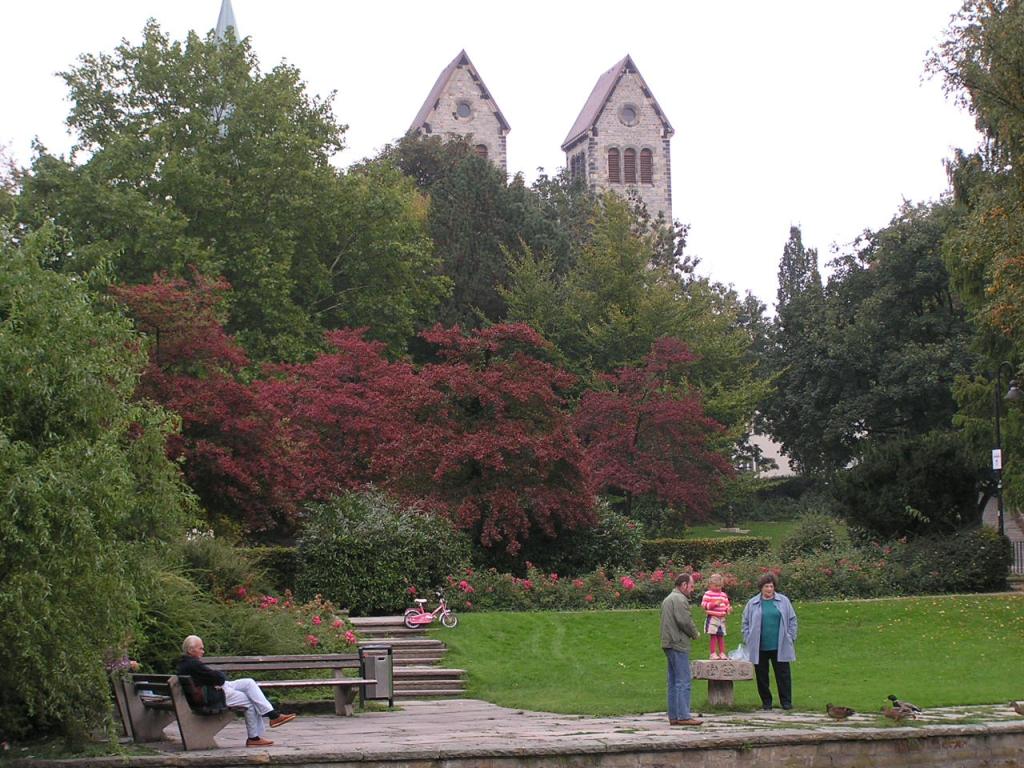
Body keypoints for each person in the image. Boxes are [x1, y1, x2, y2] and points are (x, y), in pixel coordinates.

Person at [177, 635, 296, 747]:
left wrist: (216, 679)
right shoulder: (193, 664)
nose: (203, 651)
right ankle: (255, 737)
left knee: (249, 682)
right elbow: (219, 677)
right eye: (200, 648)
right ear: (191, 650)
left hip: (215, 689)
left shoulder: (185, 663)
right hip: (213, 695)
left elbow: (214, 678)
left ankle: (272, 715)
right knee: (249, 700)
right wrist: (217, 679)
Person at [741, 573, 798, 710]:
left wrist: (790, 636)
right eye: (766, 586)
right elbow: (745, 622)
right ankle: (766, 702)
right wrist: (748, 638)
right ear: (761, 588)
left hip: (780, 644)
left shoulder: (783, 601)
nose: (769, 589)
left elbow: (792, 620)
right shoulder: (752, 603)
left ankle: (786, 702)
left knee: (783, 674)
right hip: (759, 646)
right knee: (762, 676)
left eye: (771, 586)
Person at [659, 573, 703, 726]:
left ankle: (674, 716)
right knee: (683, 680)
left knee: (673, 681)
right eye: (691, 586)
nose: (692, 590)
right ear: (683, 585)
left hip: (668, 643)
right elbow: (684, 621)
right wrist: (695, 633)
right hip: (678, 643)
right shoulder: (679, 599)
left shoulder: (668, 599)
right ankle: (684, 715)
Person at [700, 573, 732, 660]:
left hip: (722, 618)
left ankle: (722, 652)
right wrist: (713, 604)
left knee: (721, 635)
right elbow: (704, 605)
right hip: (713, 617)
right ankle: (713, 653)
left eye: (720, 586)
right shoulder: (708, 594)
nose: (718, 588)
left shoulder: (723, 595)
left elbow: (727, 604)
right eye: (716, 586)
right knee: (713, 635)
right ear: (710, 585)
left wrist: (728, 609)